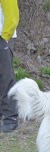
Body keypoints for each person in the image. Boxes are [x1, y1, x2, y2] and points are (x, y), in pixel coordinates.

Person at [0, 0, 19, 133]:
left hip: (2, 37)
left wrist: (5, 36)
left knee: (6, 77)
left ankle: (10, 118)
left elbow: (12, 14)